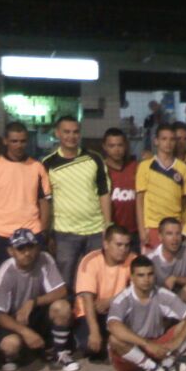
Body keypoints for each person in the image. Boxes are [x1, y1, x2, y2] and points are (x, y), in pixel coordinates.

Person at [0, 229, 79, 371]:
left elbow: (61, 291)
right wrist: (25, 332)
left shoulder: (44, 258)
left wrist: (33, 302)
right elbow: (0, 315)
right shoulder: (5, 273)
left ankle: (61, 352)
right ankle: (14, 357)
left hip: (36, 312)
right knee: (10, 345)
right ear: (11, 251)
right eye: (21, 248)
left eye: (30, 247)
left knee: (62, 307)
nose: (27, 253)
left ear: (37, 247)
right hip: (15, 319)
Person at [107, 256, 186, 371]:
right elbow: (113, 326)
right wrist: (146, 344)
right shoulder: (122, 299)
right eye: (141, 275)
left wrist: (175, 342)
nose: (146, 279)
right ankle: (157, 367)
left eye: (150, 274)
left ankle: (164, 366)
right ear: (132, 277)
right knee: (114, 339)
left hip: (158, 348)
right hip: (132, 353)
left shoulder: (162, 294)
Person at [43, 116, 111, 289]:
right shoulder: (47, 164)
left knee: (96, 280)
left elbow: (104, 193)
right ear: (57, 133)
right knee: (64, 283)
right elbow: (45, 202)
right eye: (66, 132)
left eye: (75, 132)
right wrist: (48, 232)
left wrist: (107, 226)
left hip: (95, 230)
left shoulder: (94, 159)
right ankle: (67, 315)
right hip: (64, 233)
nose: (71, 136)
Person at [0, 122, 52, 275]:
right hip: (1, 235)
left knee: (33, 281)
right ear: (5, 141)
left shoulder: (37, 167)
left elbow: (44, 201)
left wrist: (43, 231)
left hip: (31, 233)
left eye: (22, 141)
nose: (19, 145)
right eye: (14, 141)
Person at [73, 225, 136, 359]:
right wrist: (94, 332)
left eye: (126, 245)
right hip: (90, 312)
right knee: (89, 346)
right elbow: (87, 300)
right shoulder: (90, 261)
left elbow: (141, 289)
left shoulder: (133, 260)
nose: (123, 250)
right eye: (118, 245)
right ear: (106, 244)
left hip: (117, 310)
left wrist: (111, 301)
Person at [136, 123, 186, 251]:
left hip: (175, 227)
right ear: (156, 141)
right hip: (152, 226)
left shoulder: (183, 168)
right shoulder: (145, 166)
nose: (168, 143)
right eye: (164, 139)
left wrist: (183, 225)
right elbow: (139, 201)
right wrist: (141, 229)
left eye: (172, 139)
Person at [102, 128, 139, 251]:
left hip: (134, 232)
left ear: (125, 146)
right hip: (111, 234)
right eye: (112, 146)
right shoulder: (100, 170)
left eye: (120, 145)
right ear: (105, 147)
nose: (116, 150)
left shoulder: (136, 167)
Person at [148, 218, 186, 303]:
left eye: (178, 234)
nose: (175, 239)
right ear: (160, 237)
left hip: (181, 298)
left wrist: (176, 279)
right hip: (158, 300)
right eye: (169, 234)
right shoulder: (150, 259)